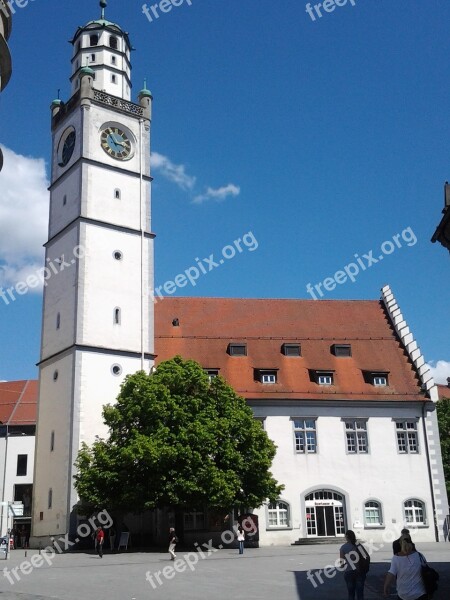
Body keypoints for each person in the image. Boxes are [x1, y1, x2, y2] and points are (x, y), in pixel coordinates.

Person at [383, 533, 427, 600]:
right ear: (411, 543)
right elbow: (426, 570)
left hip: (403, 594)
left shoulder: (396, 558)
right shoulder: (419, 556)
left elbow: (391, 574)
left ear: (400, 543)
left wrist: (385, 587)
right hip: (420, 593)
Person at [339, 530, 368, 600]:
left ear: (346, 537)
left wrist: (344, 565)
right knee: (360, 594)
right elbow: (366, 556)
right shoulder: (358, 545)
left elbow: (342, 563)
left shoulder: (343, 547)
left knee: (351, 594)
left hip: (349, 572)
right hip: (359, 571)